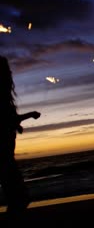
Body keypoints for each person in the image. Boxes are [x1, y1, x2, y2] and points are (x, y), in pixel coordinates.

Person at [0, 55, 41, 222]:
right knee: (20, 198)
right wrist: (30, 115)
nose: (10, 73)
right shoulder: (0, 96)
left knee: (15, 197)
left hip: (7, 155)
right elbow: (6, 119)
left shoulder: (3, 97)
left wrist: (16, 126)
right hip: (3, 156)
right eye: (7, 71)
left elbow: (7, 119)